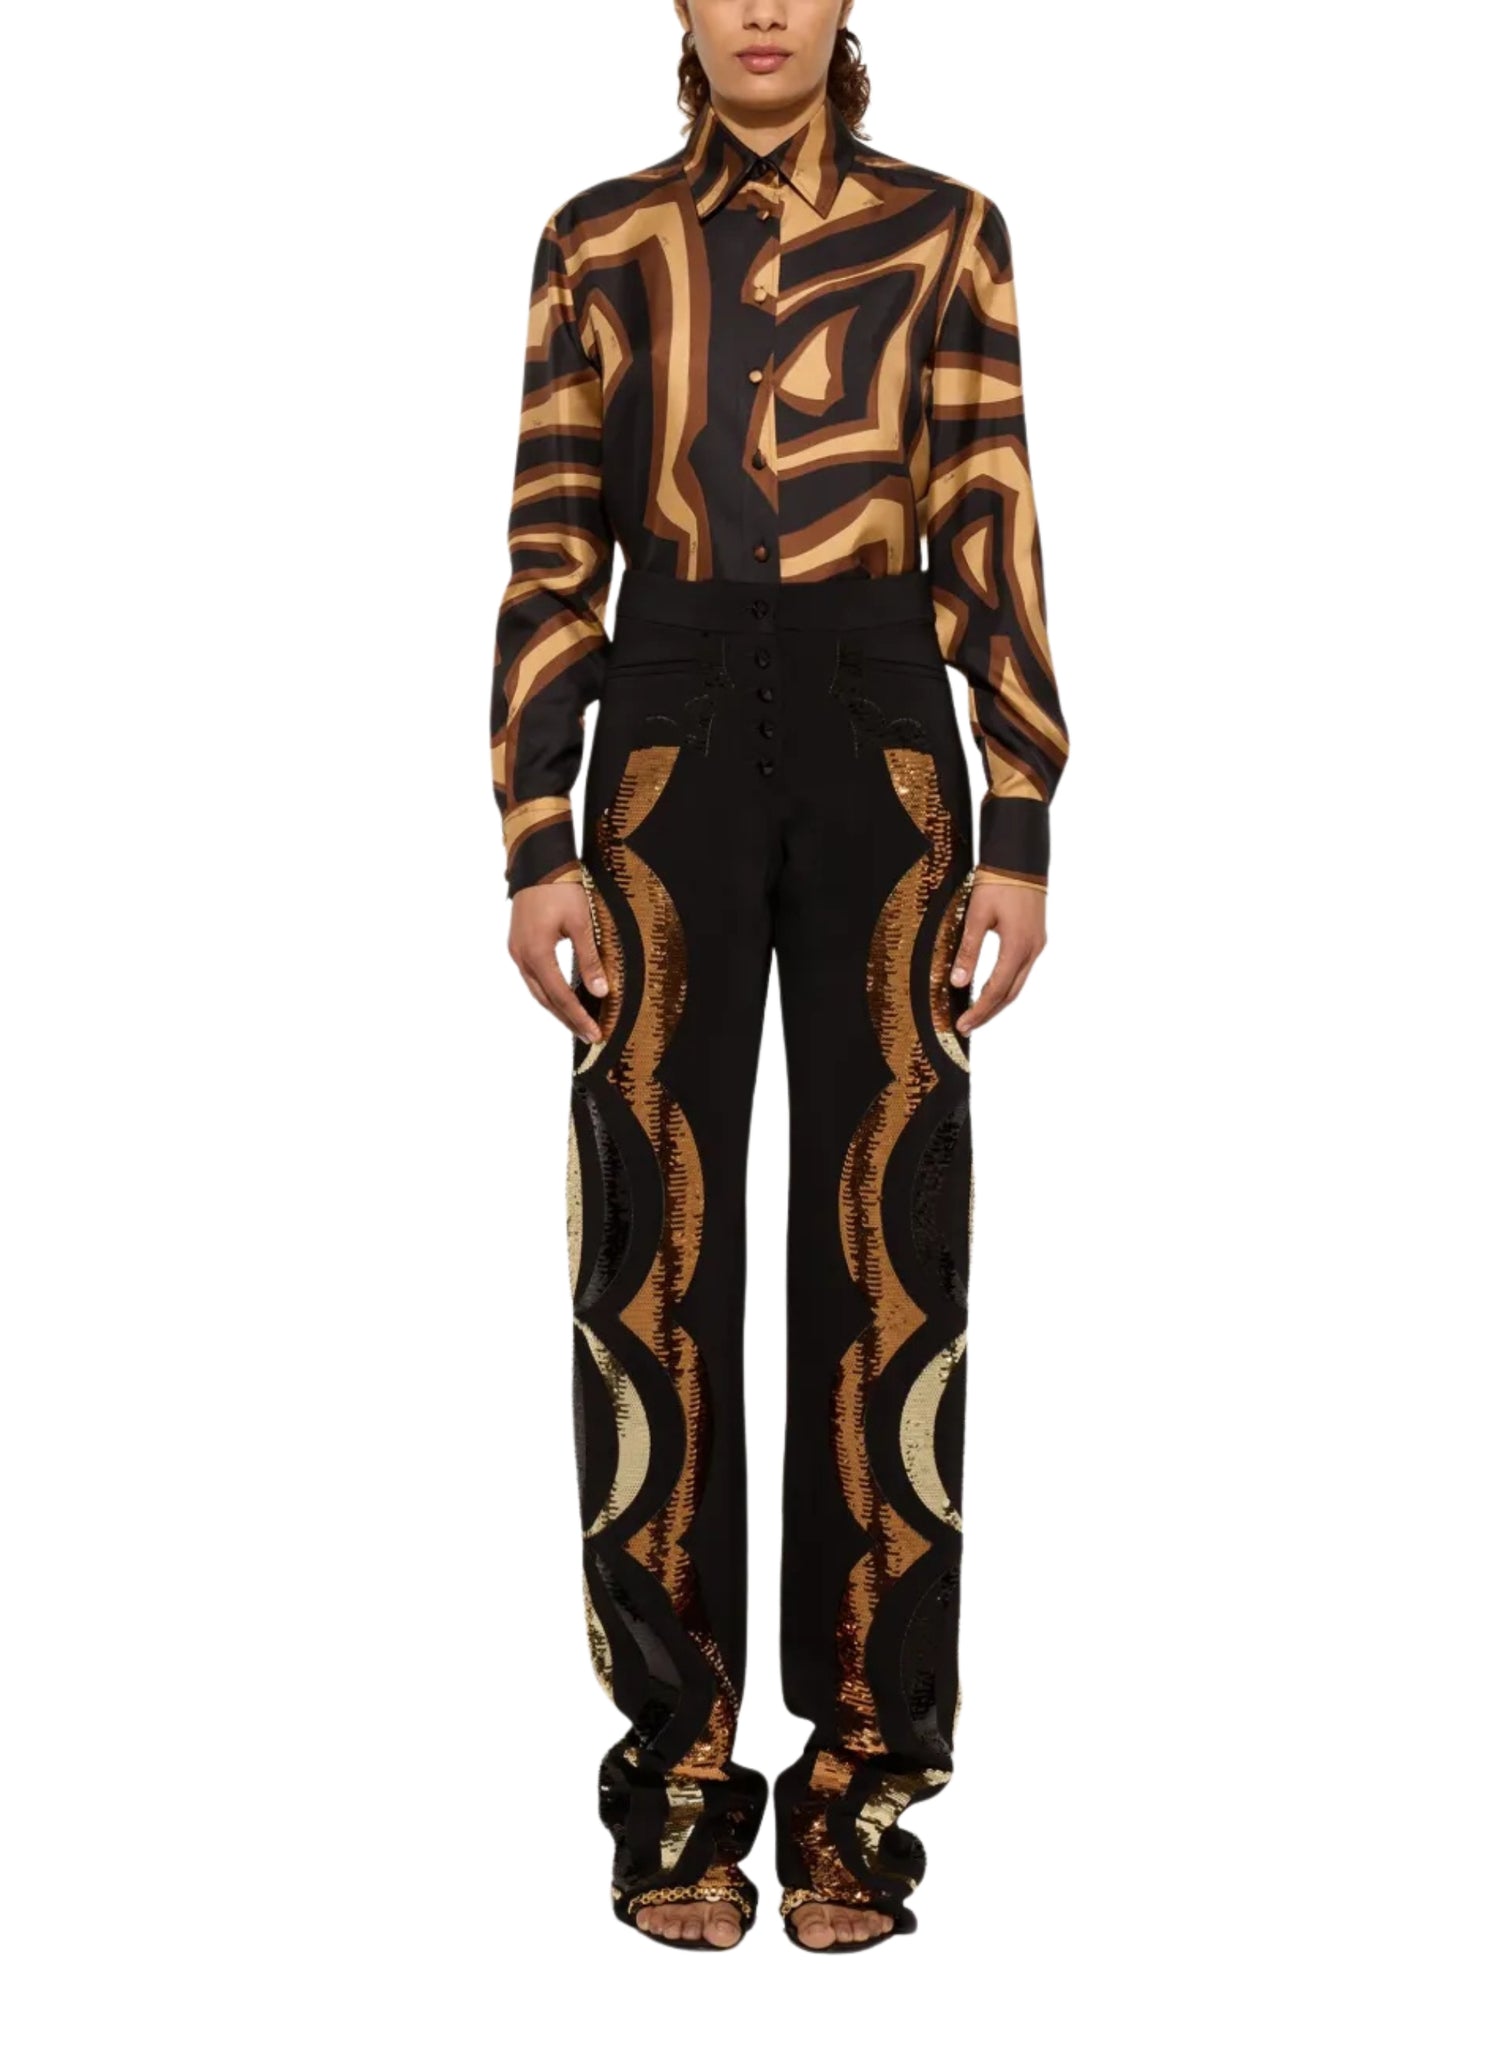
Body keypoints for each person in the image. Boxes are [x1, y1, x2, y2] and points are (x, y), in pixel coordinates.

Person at [489, 0, 1068, 1952]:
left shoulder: (947, 233)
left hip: (885, 728)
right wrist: (538, 829)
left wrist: (1021, 814)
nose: (760, 8)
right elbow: (552, 545)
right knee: (647, 1245)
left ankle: (865, 1787)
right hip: (661, 737)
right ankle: (675, 1779)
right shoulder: (598, 243)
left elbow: (989, 511)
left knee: (893, 1246)